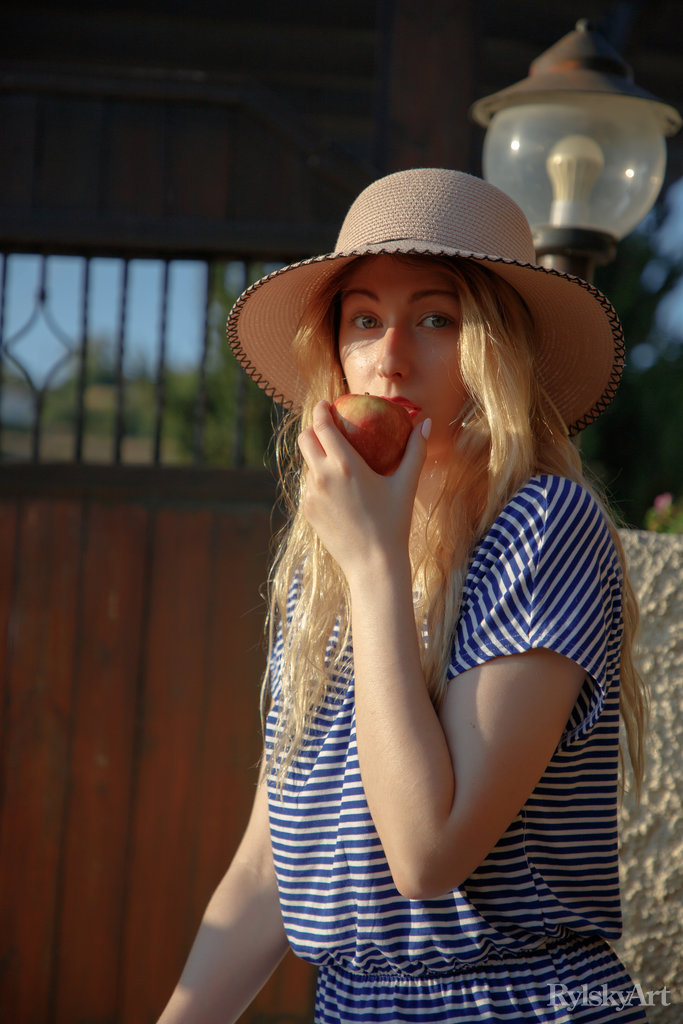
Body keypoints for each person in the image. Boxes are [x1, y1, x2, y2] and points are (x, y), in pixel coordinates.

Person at [157, 168, 650, 1023]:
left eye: (435, 319)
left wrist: (374, 568)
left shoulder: (542, 526)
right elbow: (269, 869)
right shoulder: (323, 573)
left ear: (494, 350)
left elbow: (427, 854)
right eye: (363, 321)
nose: (388, 359)